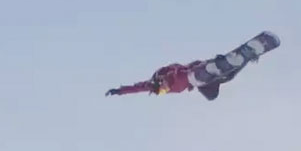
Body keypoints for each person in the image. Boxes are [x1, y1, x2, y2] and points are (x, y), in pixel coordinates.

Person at [104, 58, 242, 101]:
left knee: (196, 74)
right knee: (213, 94)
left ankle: (214, 65)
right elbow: (137, 90)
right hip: (197, 83)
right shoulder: (165, 88)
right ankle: (239, 62)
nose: (166, 90)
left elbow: (137, 88)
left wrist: (205, 64)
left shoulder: (168, 75)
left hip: (193, 72)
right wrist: (118, 91)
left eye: (162, 89)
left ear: (161, 82)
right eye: (163, 93)